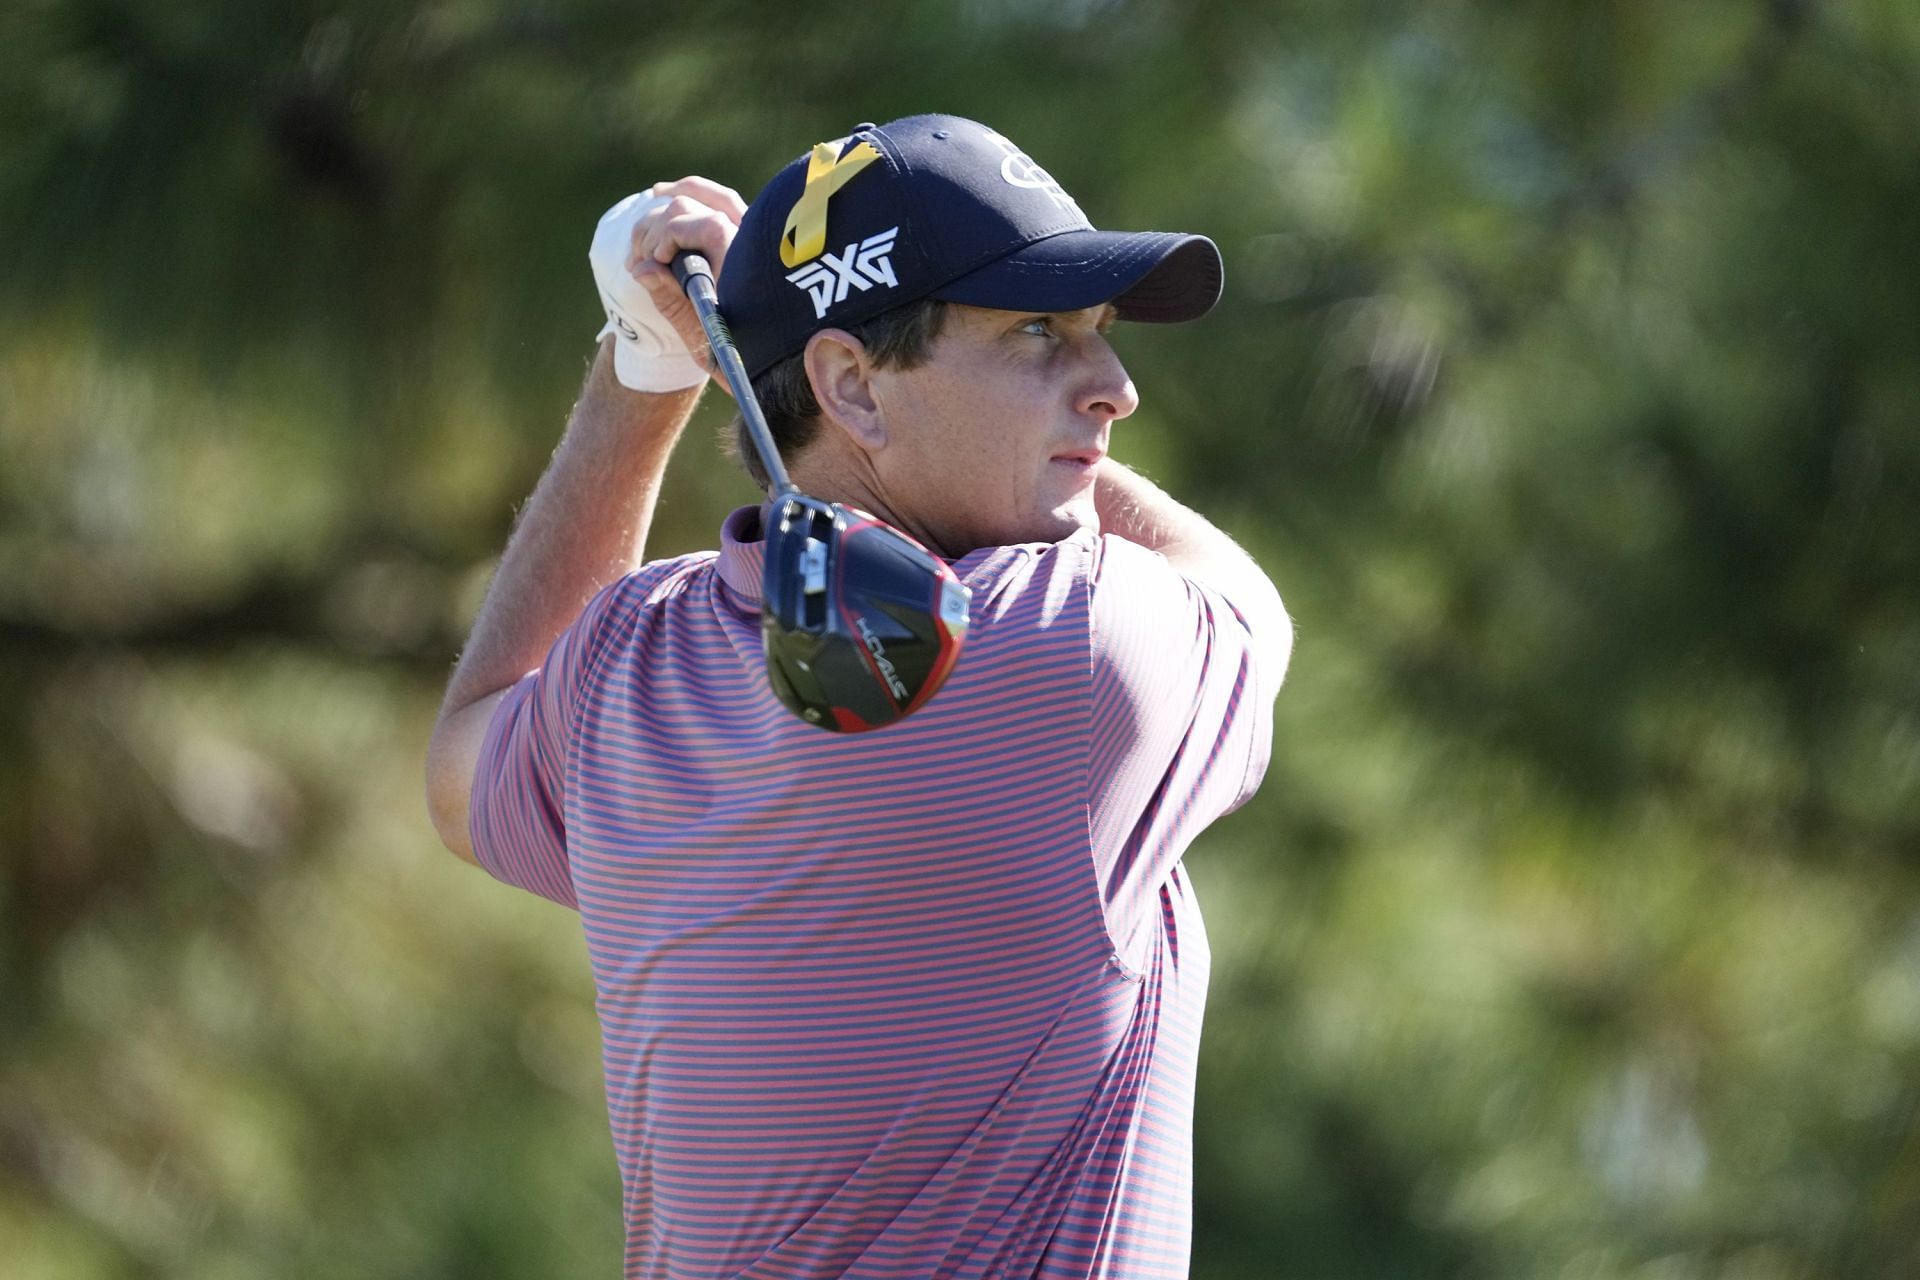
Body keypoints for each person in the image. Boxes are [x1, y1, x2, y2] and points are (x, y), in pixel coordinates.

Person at [425, 113, 1292, 1280]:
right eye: (1040, 335)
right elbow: (1249, 604)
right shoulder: (1069, 649)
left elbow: (464, 754)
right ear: (853, 388)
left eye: (1097, 332)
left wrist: (643, 369)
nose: (1115, 389)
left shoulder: (625, 662)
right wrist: (1073, 465)